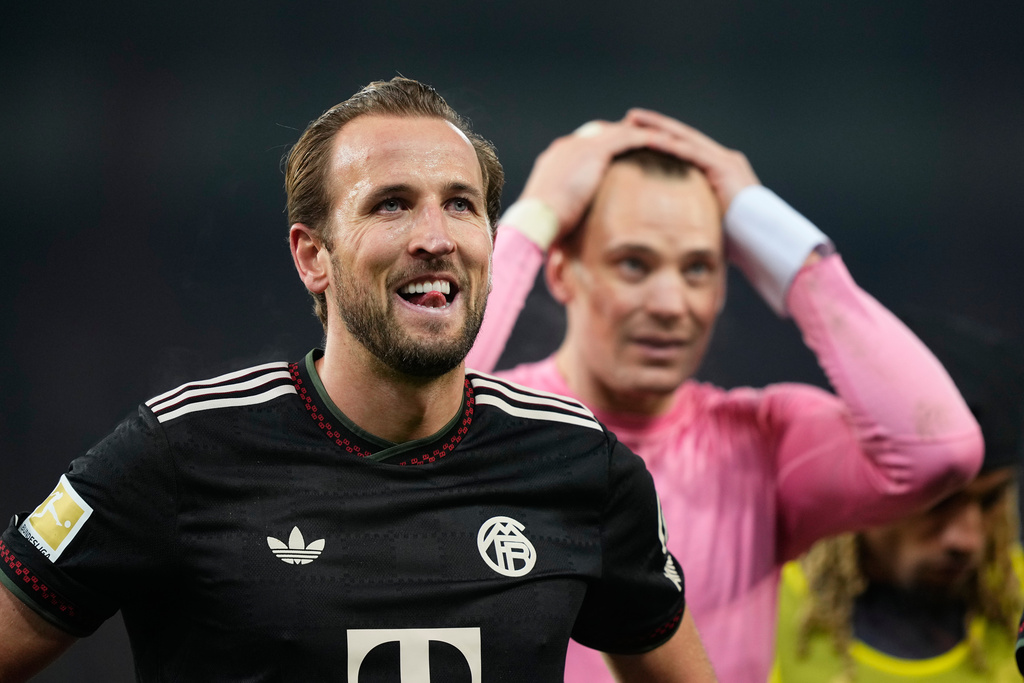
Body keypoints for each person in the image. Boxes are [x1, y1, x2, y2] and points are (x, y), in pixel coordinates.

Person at [0, 78, 718, 683]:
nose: (435, 235)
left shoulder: (579, 462)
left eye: (461, 204)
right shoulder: (181, 449)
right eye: (391, 203)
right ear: (313, 256)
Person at [463, 110, 984, 682]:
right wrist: (532, 217)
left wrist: (765, 223)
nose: (670, 303)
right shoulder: (496, 424)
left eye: (698, 269)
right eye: (633, 264)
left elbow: (941, 449)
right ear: (561, 271)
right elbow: (401, 404)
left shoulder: (763, 441)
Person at [771, 311, 1024, 683]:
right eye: (935, 503)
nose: (965, 539)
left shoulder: (1017, 598)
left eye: (989, 503)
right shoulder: (766, 616)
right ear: (861, 481)